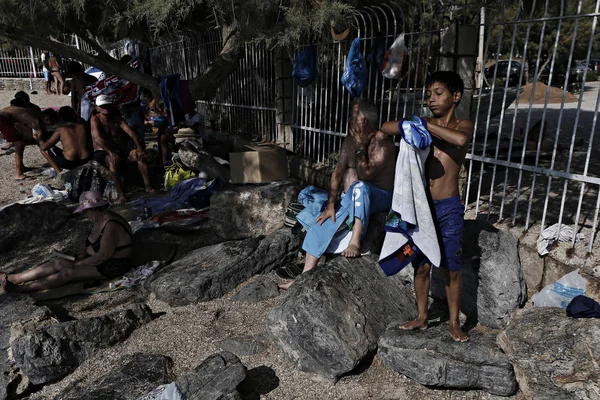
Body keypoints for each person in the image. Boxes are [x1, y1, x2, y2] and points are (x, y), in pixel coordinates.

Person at [381, 70, 474, 342]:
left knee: (450, 268)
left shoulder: (461, 125)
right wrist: (413, 125)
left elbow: (460, 141)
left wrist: (424, 124)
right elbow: (386, 127)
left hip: (448, 207)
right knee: (420, 265)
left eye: (438, 93)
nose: (431, 99)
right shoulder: (422, 124)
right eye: (429, 94)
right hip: (421, 208)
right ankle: (422, 317)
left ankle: (454, 323)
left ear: (455, 96)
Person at [279, 98, 396, 289]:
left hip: (380, 196)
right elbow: (337, 173)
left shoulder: (382, 142)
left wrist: (360, 147)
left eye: (353, 117)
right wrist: (331, 205)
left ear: (365, 122)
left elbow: (366, 174)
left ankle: (355, 242)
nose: (349, 120)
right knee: (323, 221)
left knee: (360, 186)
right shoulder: (349, 141)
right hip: (353, 196)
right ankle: (303, 277)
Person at [0, 191, 134, 293]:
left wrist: (80, 263)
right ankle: (15, 278)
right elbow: (93, 245)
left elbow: (103, 255)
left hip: (112, 264)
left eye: (85, 212)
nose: (84, 215)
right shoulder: (98, 219)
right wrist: (83, 254)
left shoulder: (111, 225)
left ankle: (21, 289)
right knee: (58, 263)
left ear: (92, 209)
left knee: (67, 273)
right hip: (95, 259)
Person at [91, 94, 155, 203]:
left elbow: (130, 132)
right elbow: (97, 139)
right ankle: (121, 194)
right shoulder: (95, 120)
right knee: (112, 161)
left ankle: (148, 186)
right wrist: (110, 152)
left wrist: (139, 147)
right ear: (97, 108)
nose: (105, 108)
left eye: (107, 106)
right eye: (102, 106)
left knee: (138, 155)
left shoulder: (116, 118)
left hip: (118, 148)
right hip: (103, 150)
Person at [39, 107, 91, 174]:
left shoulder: (61, 130)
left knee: (45, 149)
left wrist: (39, 133)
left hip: (70, 162)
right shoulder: (83, 126)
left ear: (61, 117)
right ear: (74, 115)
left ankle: (59, 173)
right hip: (86, 159)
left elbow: (44, 147)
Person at [0, 106, 45, 180]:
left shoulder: (28, 114)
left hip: (4, 118)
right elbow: (38, 135)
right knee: (19, 143)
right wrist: (41, 144)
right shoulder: (34, 120)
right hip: (2, 119)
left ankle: (21, 167)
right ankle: (18, 173)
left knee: (21, 141)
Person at [142, 88, 173, 165]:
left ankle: (162, 160)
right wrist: (146, 120)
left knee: (159, 137)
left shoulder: (158, 102)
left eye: (147, 96)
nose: (146, 98)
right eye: (145, 96)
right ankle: (154, 159)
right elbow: (147, 117)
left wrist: (157, 111)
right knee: (149, 139)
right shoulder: (146, 105)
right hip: (152, 126)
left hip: (162, 125)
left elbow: (166, 115)